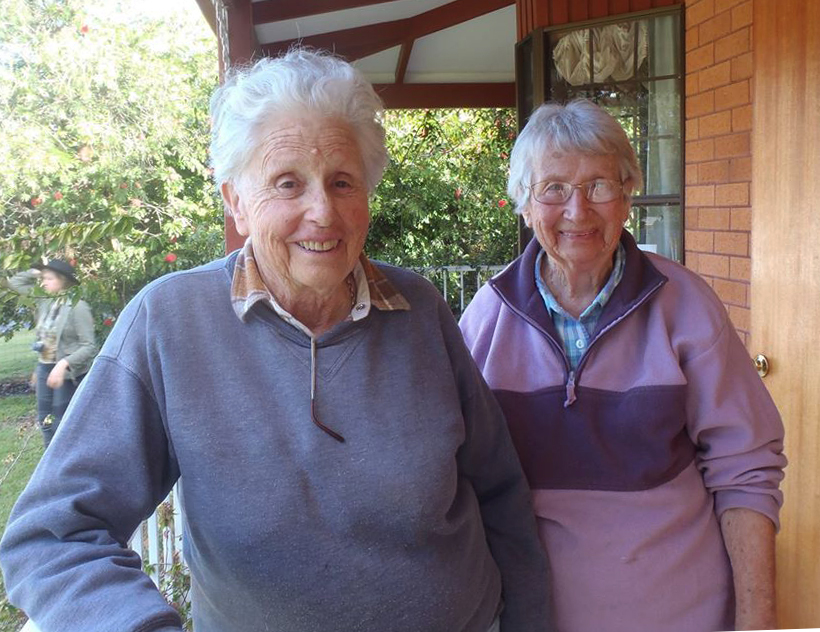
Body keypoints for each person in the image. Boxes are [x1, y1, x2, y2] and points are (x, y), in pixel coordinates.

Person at [0, 49, 551, 632]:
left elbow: (500, 492)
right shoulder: (171, 322)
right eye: (287, 183)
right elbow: (55, 536)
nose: (323, 212)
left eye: (343, 182)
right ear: (235, 200)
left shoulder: (418, 310)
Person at [459, 100, 786, 632]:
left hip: (683, 615)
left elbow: (745, 471)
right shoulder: (486, 320)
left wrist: (758, 621)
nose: (577, 210)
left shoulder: (685, 306)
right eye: (554, 188)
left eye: (599, 186)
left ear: (628, 195)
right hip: (532, 615)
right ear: (524, 203)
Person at [5, 259, 96, 447]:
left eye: (49, 279)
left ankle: (66, 465)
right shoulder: (45, 302)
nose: (43, 283)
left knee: (61, 423)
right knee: (44, 421)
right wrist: (36, 273)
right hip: (45, 367)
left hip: (68, 374)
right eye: (43, 279)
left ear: (63, 281)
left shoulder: (78, 307)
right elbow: (14, 285)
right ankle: (50, 464)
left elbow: (89, 346)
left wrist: (63, 364)